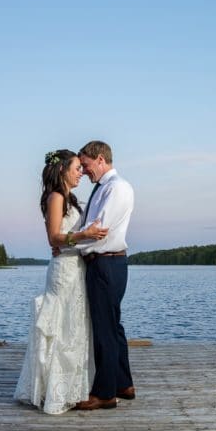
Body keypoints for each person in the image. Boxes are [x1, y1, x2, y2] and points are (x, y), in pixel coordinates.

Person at [14, 149, 108, 414]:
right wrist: (84, 234)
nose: (81, 172)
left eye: (81, 168)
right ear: (63, 169)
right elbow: (54, 238)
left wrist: (86, 240)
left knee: (75, 328)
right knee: (61, 327)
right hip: (63, 271)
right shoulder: (55, 197)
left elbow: (66, 237)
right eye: (77, 168)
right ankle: (54, 391)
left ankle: (73, 388)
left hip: (77, 268)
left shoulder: (72, 199)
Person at [74, 140, 135, 411]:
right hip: (106, 263)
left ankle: (105, 393)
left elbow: (99, 233)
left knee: (104, 330)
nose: (84, 171)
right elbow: (90, 227)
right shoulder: (103, 189)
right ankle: (123, 383)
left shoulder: (117, 188)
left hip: (106, 263)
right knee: (113, 325)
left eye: (86, 165)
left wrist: (70, 244)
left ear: (100, 159)